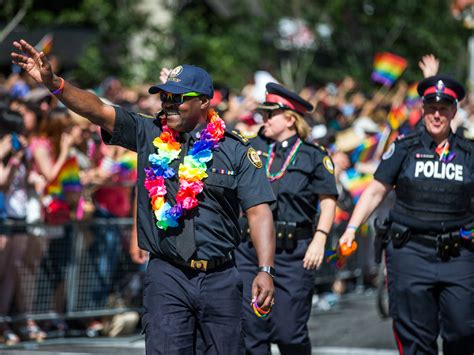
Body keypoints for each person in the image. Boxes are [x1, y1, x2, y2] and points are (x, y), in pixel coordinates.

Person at [12, 39, 276, 354]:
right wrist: (55, 85)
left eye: (178, 98)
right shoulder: (149, 134)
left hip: (220, 277)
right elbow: (97, 109)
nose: (168, 103)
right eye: (164, 96)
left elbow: (259, 211)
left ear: (204, 101)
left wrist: (265, 269)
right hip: (168, 274)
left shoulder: (235, 149)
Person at [339, 75, 474, 355]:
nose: (437, 114)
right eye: (431, 107)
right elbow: (375, 191)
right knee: (416, 338)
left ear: (453, 111)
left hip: (459, 254)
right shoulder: (404, 147)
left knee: (463, 330)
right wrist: (351, 228)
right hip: (411, 252)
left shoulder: (469, 152)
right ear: (423, 109)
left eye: (444, 107)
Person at [236, 83, 337, 355]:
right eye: (263, 114)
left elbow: (328, 200)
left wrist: (320, 237)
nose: (263, 120)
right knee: (252, 333)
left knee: (289, 332)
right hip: (250, 251)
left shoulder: (313, 155)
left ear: (291, 118)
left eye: (270, 115)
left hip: (293, 253)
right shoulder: (251, 146)